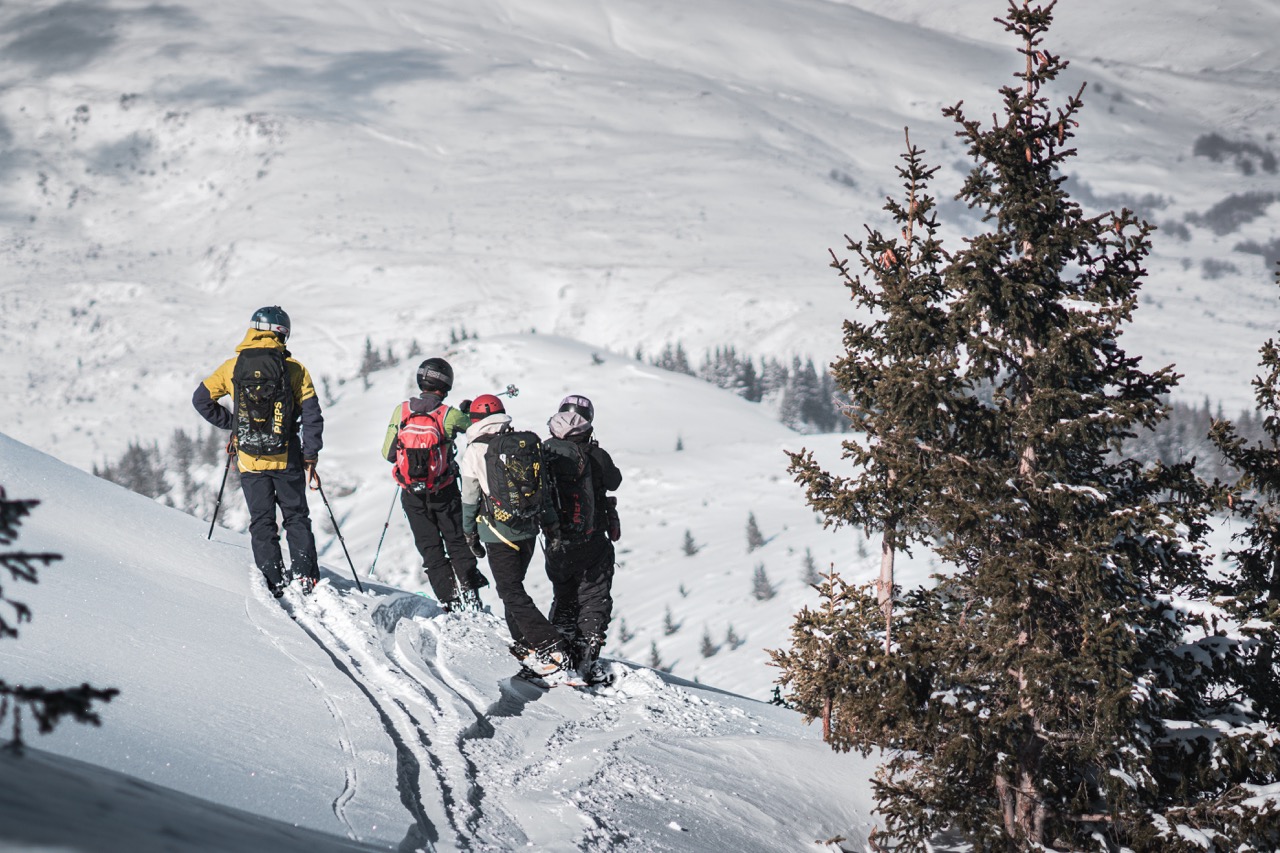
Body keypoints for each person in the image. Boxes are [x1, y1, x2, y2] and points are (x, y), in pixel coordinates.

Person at [192, 306, 323, 597]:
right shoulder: (295, 370)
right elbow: (313, 415)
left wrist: (235, 425)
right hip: (286, 456)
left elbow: (201, 400)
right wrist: (311, 455)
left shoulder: (232, 367)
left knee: (262, 521)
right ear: (283, 334)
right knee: (296, 517)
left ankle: (273, 579)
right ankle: (304, 577)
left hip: (250, 460)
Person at [458, 393, 568, 681]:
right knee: (513, 589)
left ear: (475, 421)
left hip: (498, 533)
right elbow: (541, 488)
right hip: (529, 529)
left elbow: (469, 498)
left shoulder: (474, 451)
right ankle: (525, 644)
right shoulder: (521, 444)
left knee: (510, 591)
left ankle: (550, 646)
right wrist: (551, 525)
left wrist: (469, 532)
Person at [381, 357, 489, 612]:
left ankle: (449, 602)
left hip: (412, 495)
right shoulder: (447, 415)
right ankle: (471, 596)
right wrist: (464, 412)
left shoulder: (402, 411)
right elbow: (472, 425)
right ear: (446, 384)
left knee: (430, 549)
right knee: (457, 542)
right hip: (444, 490)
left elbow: (387, 452)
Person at [542, 394, 622, 683]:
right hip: (592, 540)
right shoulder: (595, 455)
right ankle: (584, 659)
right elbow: (615, 481)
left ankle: (556, 652)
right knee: (594, 597)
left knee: (564, 596)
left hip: (555, 541)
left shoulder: (545, 452)